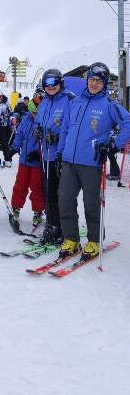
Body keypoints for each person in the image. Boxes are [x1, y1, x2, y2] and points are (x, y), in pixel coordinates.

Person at [56, 62, 130, 259]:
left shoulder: (109, 105)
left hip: (91, 162)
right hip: (69, 162)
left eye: (98, 80)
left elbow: (128, 122)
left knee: (91, 203)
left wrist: (114, 144)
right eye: (91, 80)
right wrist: (60, 152)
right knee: (65, 200)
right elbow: (65, 129)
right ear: (86, 81)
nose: (94, 83)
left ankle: (94, 241)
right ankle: (71, 239)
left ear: (104, 83)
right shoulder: (76, 102)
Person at [34, 68, 75, 245]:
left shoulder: (69, 100)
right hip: (46, 155)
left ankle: (63, 228)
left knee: (61, 194)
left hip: (62, 155)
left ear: (61, 83)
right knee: (48, 192)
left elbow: (74, 127)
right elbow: (39, 121)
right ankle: (52, 225)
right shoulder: (44, 102)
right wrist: (38, 130)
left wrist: (58, 138)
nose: (50, 86)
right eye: (47, 83)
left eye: (54, 83)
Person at [10, 98, 45, 228]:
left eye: (37, 113)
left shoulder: (44, 121)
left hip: (37, 163)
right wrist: (13, 148)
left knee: (36, 187)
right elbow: (20, 135)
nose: (34, 115)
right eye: (33, 112)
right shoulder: (26, 119)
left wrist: (37, 153)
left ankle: (38, 211)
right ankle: (16, 207)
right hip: (24, 161)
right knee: (20, 184)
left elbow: (45, 141)